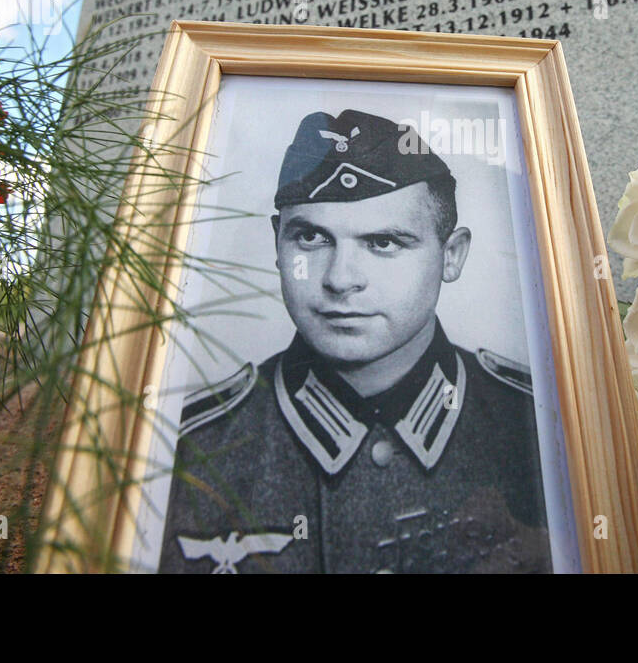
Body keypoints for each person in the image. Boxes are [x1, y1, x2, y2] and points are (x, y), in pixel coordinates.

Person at [158, 108, 552, 573]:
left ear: (451, 256)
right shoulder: (190, 448)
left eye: (383, 243)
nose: (340, 280)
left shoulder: (537, 428)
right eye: (311, 238)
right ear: (278, 245)